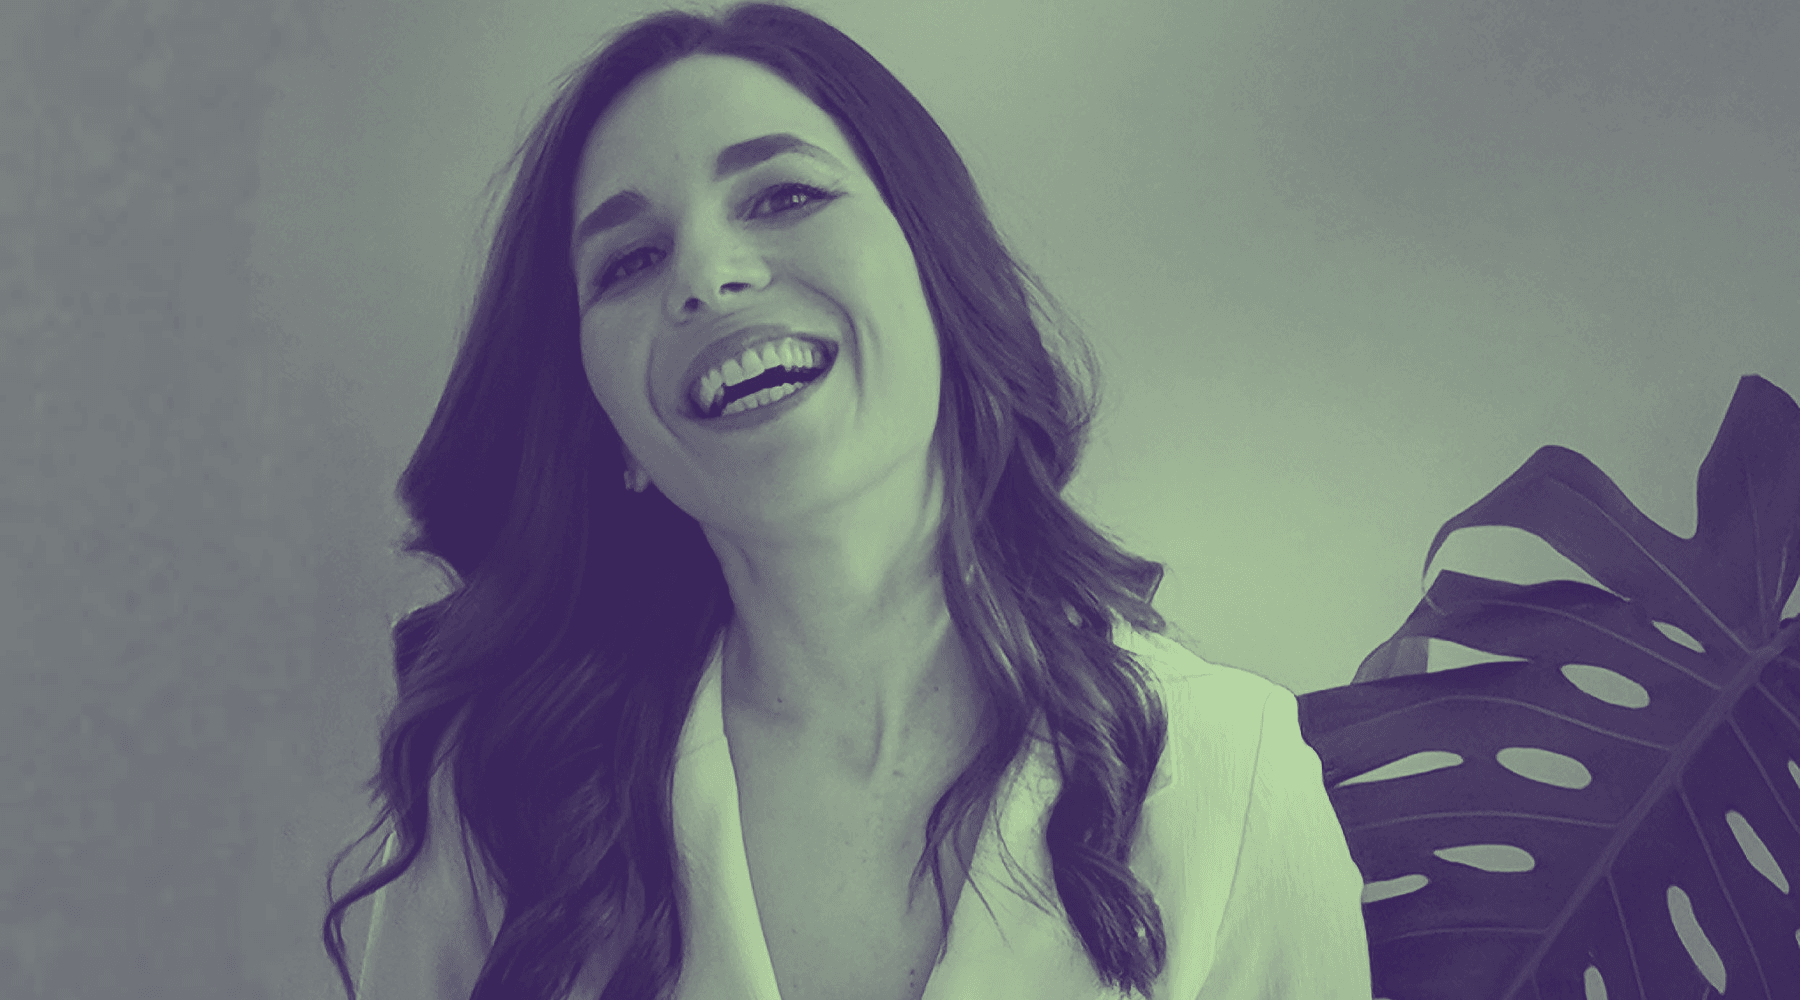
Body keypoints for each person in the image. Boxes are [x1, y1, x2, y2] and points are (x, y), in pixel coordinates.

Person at [320, 4, 1370, 998]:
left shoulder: (1227, 774)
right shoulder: (495, 802)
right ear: (614, 441)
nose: (708, 276)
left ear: (937, 274)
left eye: (783, 197)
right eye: (631, 260)